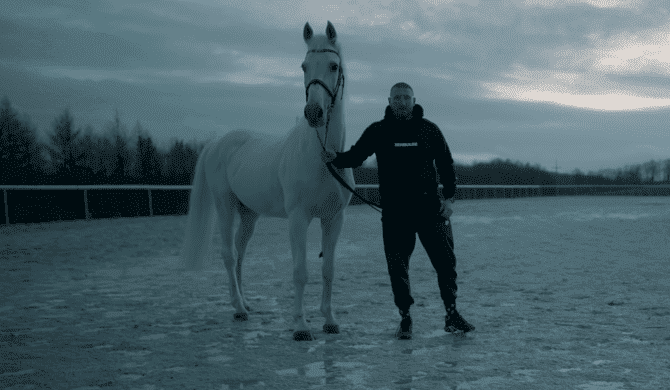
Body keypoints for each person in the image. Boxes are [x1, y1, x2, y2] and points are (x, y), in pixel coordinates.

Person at [321, 82, 475, 339]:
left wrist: (449, 199)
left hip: (430, 211)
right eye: (397, 98)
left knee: (446, 265)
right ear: (389, 100)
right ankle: (405, 319)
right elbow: (356, 157)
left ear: (414, 100)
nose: (402, 102)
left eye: (406, 97)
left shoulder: (429, 130)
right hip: (395, 214)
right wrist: (334, 157)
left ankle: (452, 314)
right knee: (397, 267)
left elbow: (446, 165)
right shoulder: (378, 131)